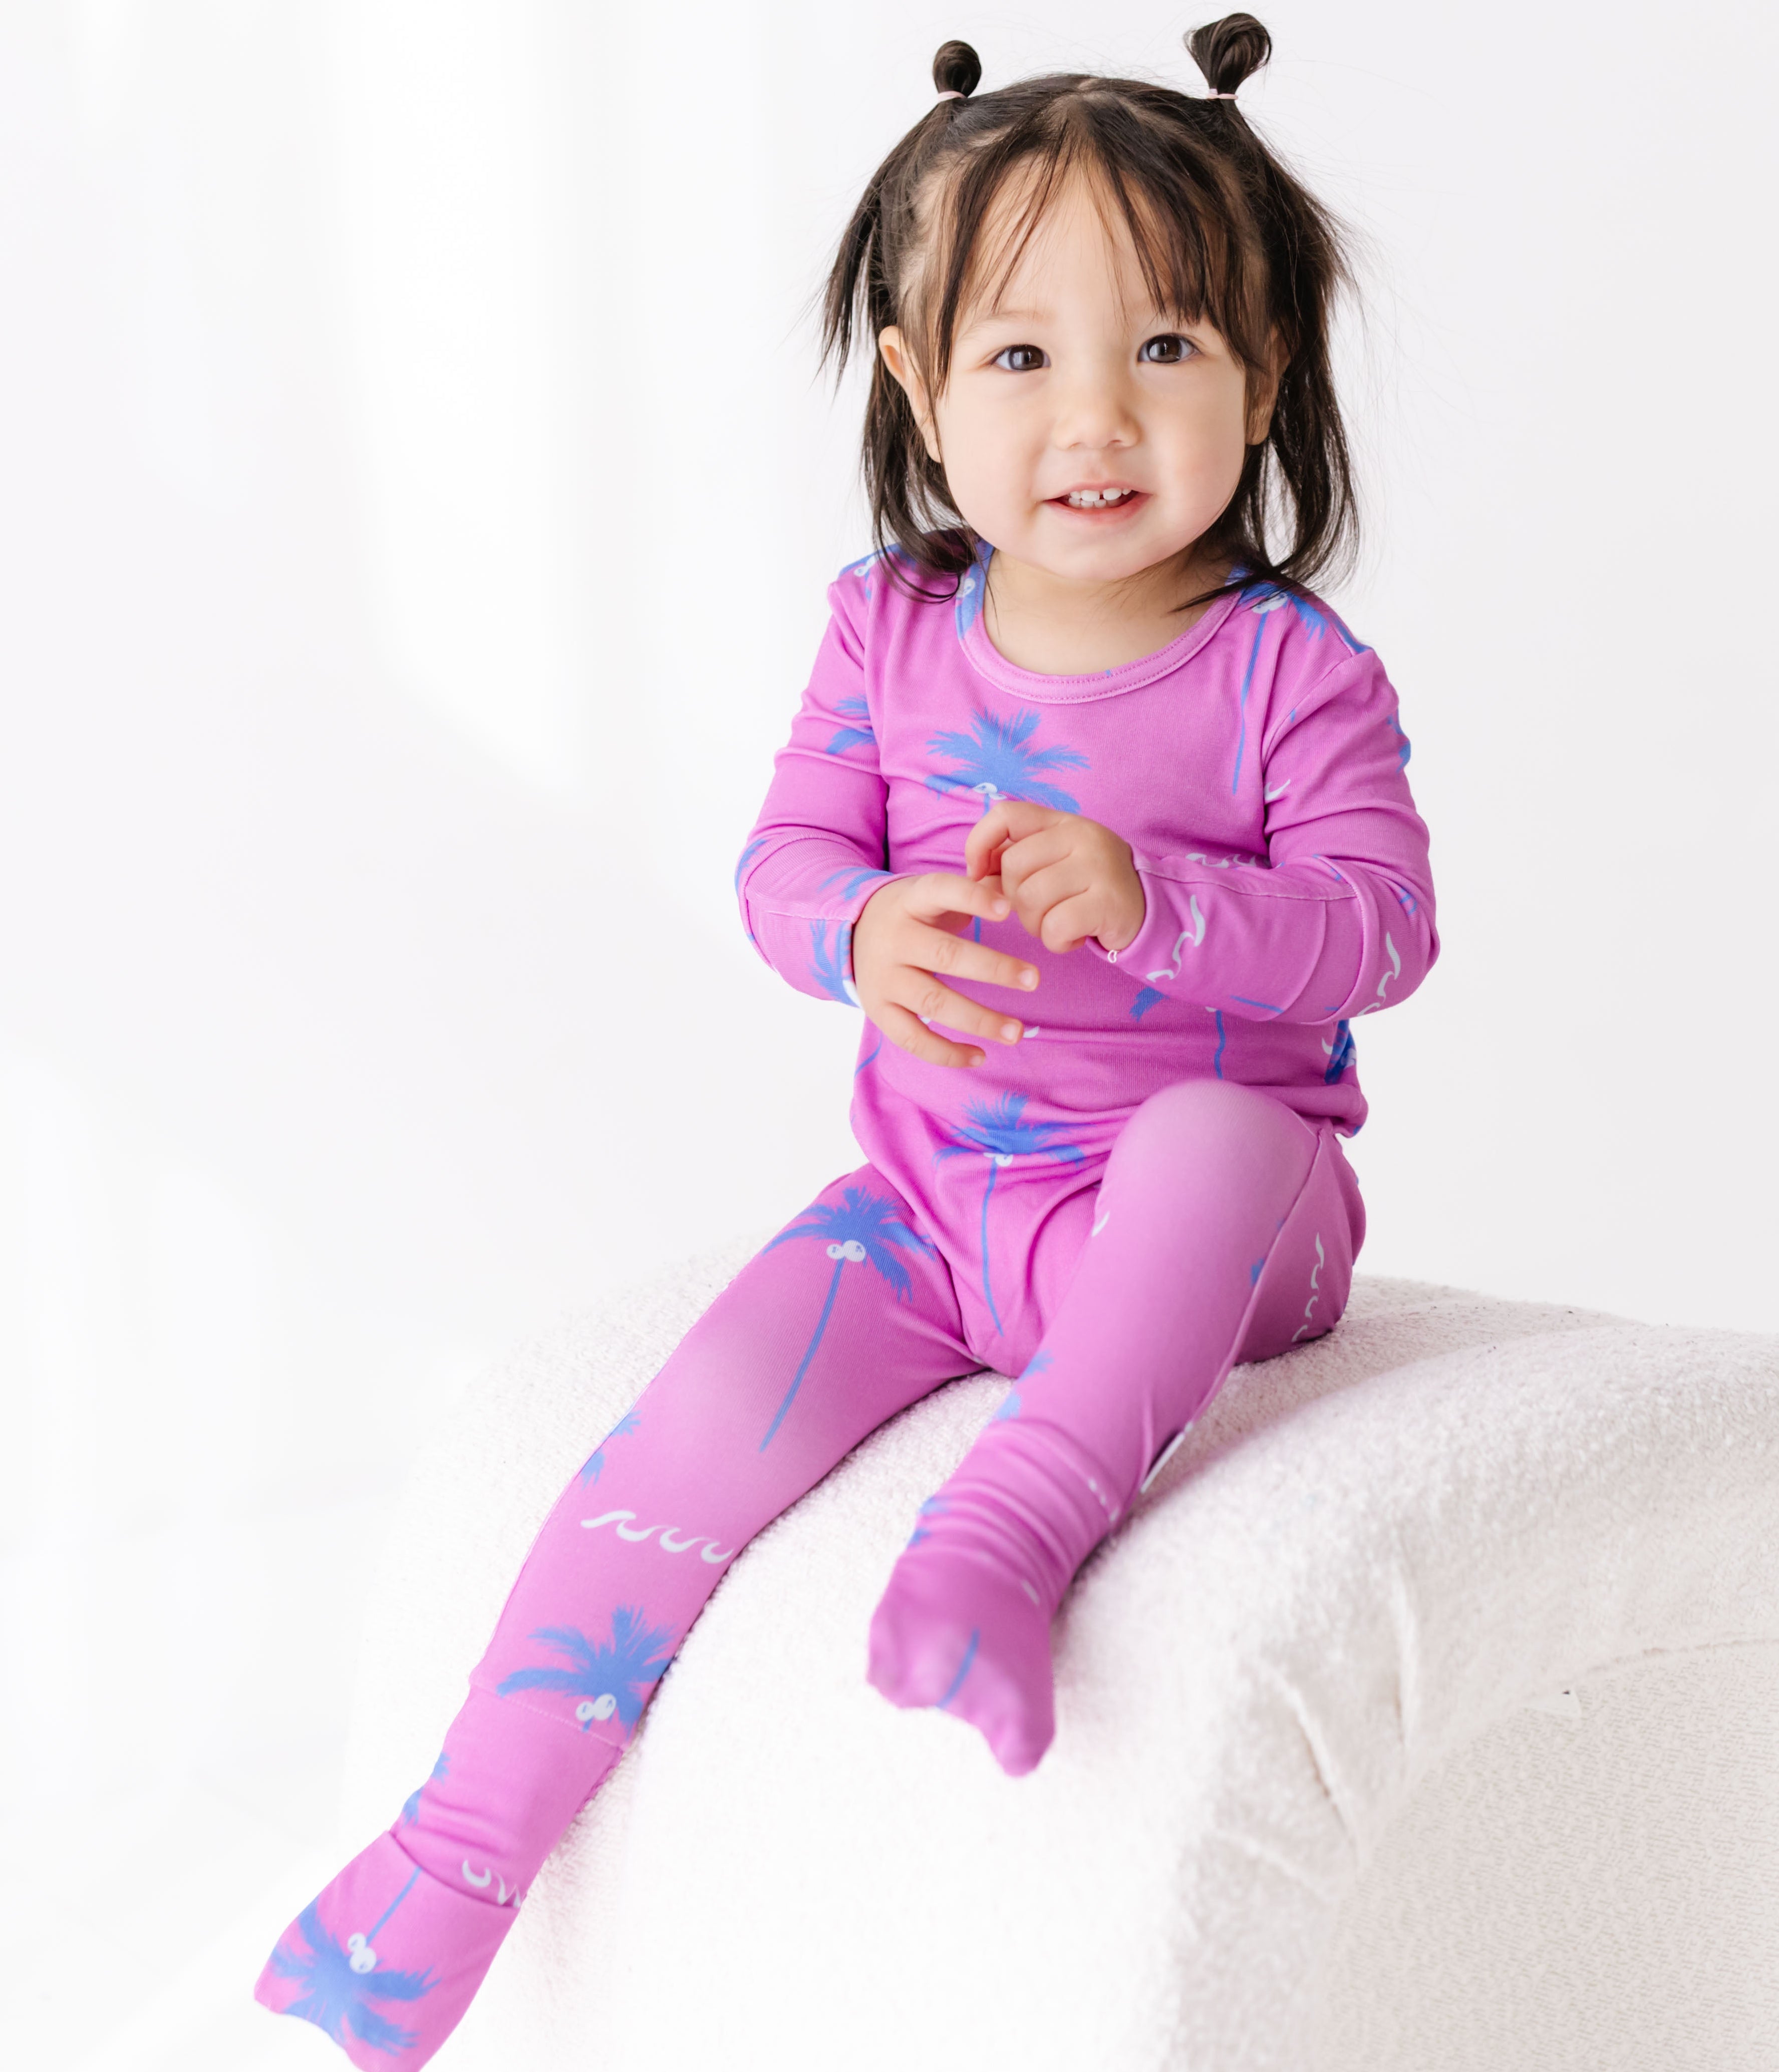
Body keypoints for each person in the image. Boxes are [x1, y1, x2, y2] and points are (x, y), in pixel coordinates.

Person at [256, 16, 1437, 2064]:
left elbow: (1384, 928)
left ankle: (1008, 1529)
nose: (1098, 412)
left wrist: (1163, 904)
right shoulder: (886, 635)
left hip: (1204, 1217)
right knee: (684, 1441)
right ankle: (443, 1867)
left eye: (1169, 347)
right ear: (912, 384)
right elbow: (783, 860)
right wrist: (859, 922)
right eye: (1021, 353)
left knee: (1214, 1147)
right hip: (931, 1203)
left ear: (1268, 373)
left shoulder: (1283, 677)